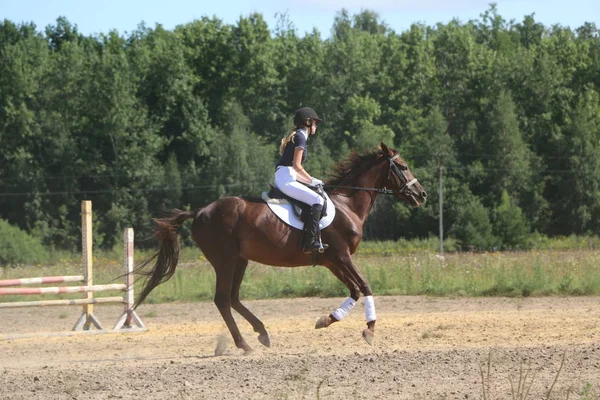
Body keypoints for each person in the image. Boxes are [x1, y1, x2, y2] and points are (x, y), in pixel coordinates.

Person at [275, 107, 328, 253]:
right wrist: (311, 180)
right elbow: (297, 166)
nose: (316, 126)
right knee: (318, 200)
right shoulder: (300, 137)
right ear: (308, 122)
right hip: (286, 178)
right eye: (315, 123)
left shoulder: (299, 135)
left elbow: (294, 170)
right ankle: (310, 241)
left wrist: (312, 180)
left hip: (286, 175)